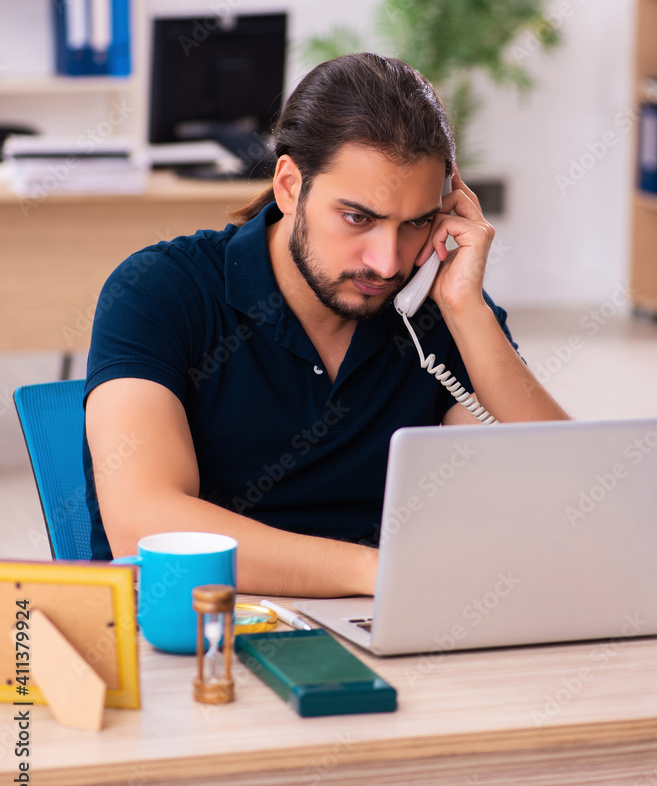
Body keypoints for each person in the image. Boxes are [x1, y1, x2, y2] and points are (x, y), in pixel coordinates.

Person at [84, 53, 569, 594]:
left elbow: (571, 491)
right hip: (204, 624)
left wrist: (468, 311)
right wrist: (376, 571)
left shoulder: (435, 309)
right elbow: (144, 525)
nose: (386, 263)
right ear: (290, 186)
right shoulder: (160, 291)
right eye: (358, 218)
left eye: (417, 222)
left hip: (384, 617)